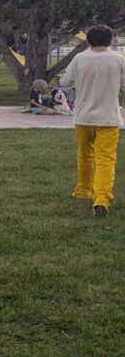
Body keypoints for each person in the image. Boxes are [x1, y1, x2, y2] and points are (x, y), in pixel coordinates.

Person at [59, 24, 125, 218]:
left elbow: (65, 82)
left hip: (83, 117)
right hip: (109, 118)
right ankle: (102, 198)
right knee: (106, 158)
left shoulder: (80, 59)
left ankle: (83, 190)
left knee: (85, 154)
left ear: (88, 40)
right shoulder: (118, 60)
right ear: (110, 40)